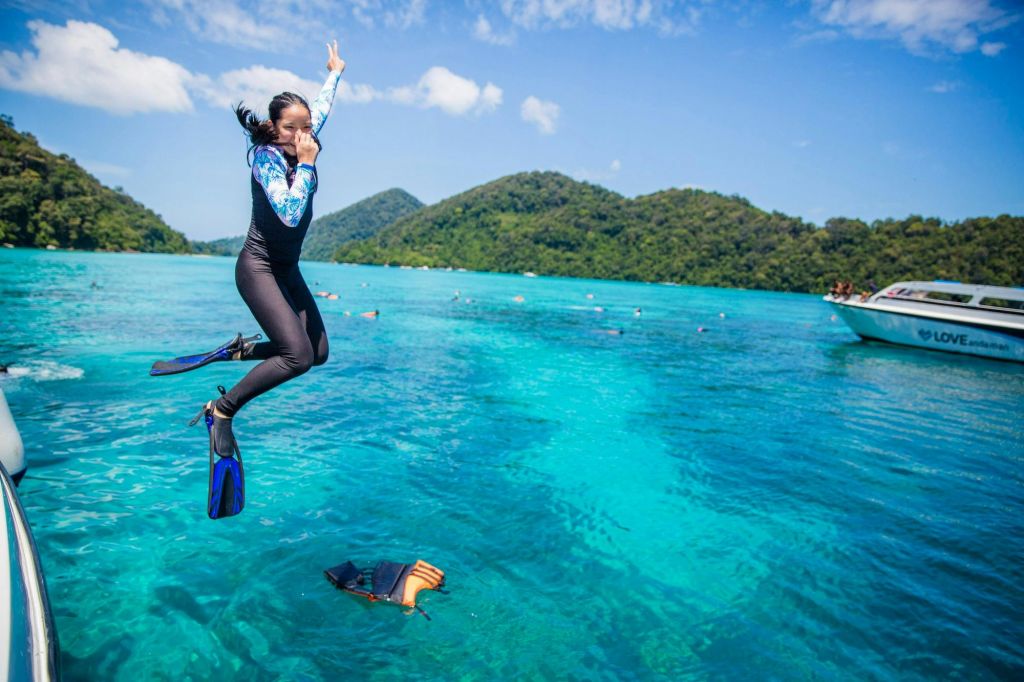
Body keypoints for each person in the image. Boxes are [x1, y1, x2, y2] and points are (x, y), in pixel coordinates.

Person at [186, 41, 346, 517]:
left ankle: (238, 351)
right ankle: (223, 410)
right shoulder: (266, 159)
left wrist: (335, 71)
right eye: (291, 128)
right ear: (273, 129)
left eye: (305, 128)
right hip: (257, 268)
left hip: (287, 270)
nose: (301, 133)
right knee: (295, 356)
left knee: (317, 353)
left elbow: (320, 107)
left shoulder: (303, 135)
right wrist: (311, 164)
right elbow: (291, 211)